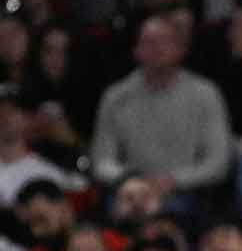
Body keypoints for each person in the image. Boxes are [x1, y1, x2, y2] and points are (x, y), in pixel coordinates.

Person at [89, 16, 233, 196]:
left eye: (165, 41)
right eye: (149, 42)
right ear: (136, 51)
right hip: (131, 190)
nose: (157, 48)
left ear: (181, 49)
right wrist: (131, 179)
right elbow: (102, 161)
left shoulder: (206, 94)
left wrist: (175, 180)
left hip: (188, 192)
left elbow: (219, 162)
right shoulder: (115, 97)